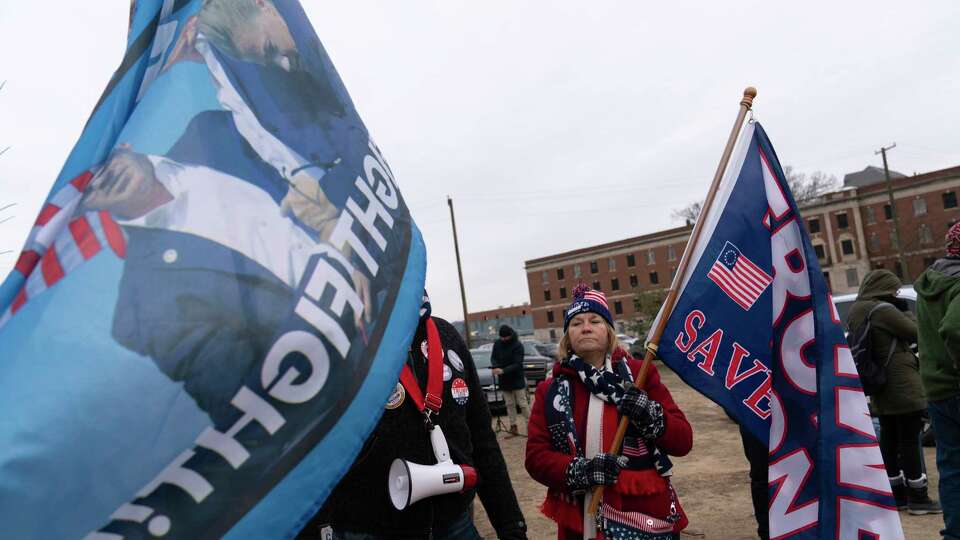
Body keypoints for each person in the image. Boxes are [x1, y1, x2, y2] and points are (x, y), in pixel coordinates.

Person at [299, 294, 528, 539]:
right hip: (371, 527)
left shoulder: (446, 336)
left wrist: (511, 526)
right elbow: (312, 453)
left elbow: (482, 440)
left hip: (454, 523)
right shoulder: (341, 342)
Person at [525, 284, 692, 539]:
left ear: (609, 332)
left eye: (595, 320)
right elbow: (536, 458)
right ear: (568, 336)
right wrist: (584, 471)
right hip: (582, 520)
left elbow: (683, 441)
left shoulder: (641, 374)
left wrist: (649, 413)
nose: (586, 327)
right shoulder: (551, 390)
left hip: (647, 512)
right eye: (576, 323)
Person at [848, 269, 941, 514]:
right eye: (894, 289)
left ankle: (897, 495)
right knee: (910, 440)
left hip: (880, 386)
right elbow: (918, 333)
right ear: (883, 288)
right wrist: (905, 310)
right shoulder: (884, 310)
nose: (896, 293)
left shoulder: (858, 309)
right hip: (902, 387)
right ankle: (919, 498)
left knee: (889, 440)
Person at [915, 221, 960, 539]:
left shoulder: (931, 283)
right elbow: (954, 329)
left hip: (936, 389)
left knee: (952, 466)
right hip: (957, 385)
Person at [491, 324, 529, 435]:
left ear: (510, 335)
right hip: (504, 380)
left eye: (505, 337)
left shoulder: (518, 345)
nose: (503, 339)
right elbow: (493, 357)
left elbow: (517, 363)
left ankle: (530, 427)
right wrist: (495, 366)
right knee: (509, 404)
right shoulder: (497, 344)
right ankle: (513, 426)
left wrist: (503, 370)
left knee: (522, 404)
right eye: (501, 337)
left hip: (516, 378)